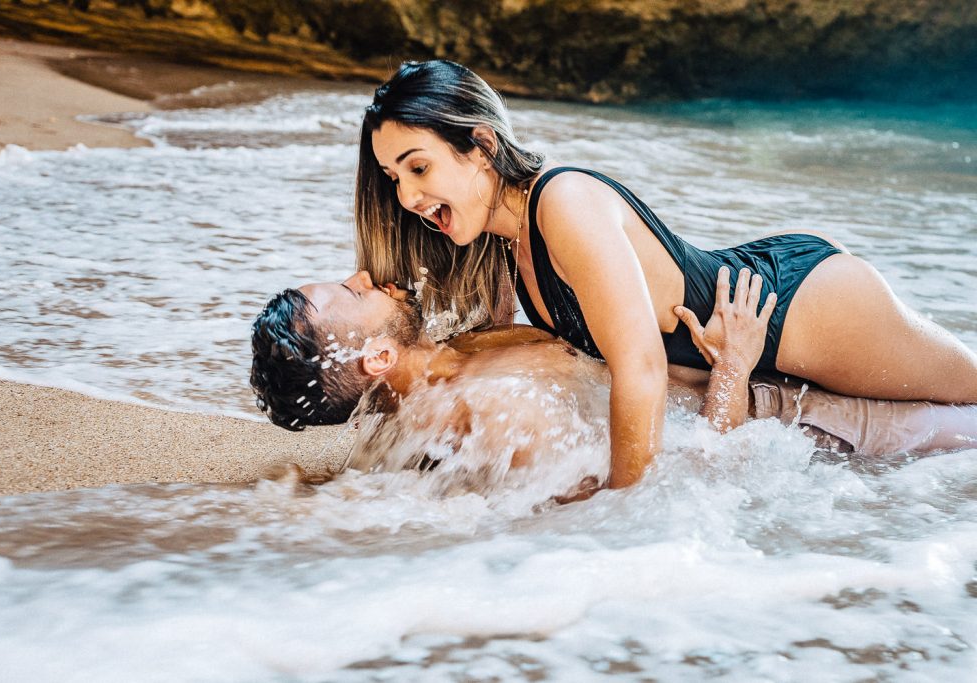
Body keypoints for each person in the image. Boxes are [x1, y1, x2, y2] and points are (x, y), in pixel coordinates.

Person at [353, 59, 977, 488]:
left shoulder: (563, 202)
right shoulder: (498, 248)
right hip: (757, 349)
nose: (407, 198)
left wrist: (629, 510)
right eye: (393, 179)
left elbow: (641, 370)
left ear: (482, 146)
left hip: (805, 306)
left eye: (418, 168)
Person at [249, 269, 977, 491]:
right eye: (349, 292)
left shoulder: (460, 351)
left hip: (786, 392)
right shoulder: (493, 414)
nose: (363, 275)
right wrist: (733, 367)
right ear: (375, 358)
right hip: (796, 428)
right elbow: (668, 492)